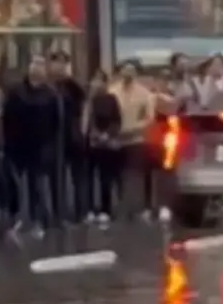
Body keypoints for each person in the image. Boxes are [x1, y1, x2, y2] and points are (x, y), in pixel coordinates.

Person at [2, 55, 64, 237]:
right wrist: (6, 143)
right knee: (14, 184)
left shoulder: (51, 94)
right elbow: (7, 118)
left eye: (40, 66)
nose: (37, 69)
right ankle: (15, 219)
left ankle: (38, 221)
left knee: (37, 185)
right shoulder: (16, 92)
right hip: (17, 145)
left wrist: (52, 146)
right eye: (34, 65)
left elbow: (56, 123)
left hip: (41, 146)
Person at [110, 60, 156, 220]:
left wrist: (134, 128)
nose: (128, 73)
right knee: (118, 175)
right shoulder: (113, 91)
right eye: (125, 70)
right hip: (116, 139)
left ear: (136, 73)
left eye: (131, 70)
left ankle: (139, 208)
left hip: (137, 139)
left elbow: (150, 118)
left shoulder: (145, 93)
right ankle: (121, 206)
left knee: (136, 175)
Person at [48, 50, 86, 223]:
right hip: (55, 137)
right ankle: (59, 213)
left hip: (73, 136)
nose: (60, 67)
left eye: (64, 63)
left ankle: (80, 211)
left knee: (78, 177)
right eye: (57, 63)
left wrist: (69, 79)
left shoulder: (72, 87)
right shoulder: (48, 86)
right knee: (57, 176)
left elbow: (83, 99)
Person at [83, 69, 123, 223]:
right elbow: (85, 121)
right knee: (88, 177)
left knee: (105, 177)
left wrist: (107, 134)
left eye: (101, 80)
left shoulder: (111, 99)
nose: (97, 83)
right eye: (95, 80)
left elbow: (117, 119)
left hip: (106, 143)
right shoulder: (87, 100)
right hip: (90, 143)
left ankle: (106, 208)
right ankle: (89, 208)